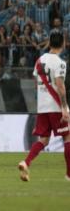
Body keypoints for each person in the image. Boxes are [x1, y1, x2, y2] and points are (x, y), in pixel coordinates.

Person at [18, 31, 70, 182]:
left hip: (42, 107)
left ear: (49, 43)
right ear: (63, 43)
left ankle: (26, 162)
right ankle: (68, 174)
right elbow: (60, 86)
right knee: (67, 137)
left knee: (44, 140)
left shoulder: (40, 60)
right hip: (55, 107)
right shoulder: (60, 63)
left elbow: (37, 83)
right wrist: (64, 108)